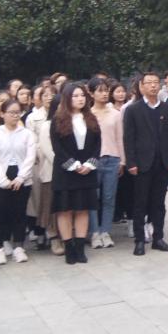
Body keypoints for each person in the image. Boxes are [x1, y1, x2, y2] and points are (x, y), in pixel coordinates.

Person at [123, 71, 168, 256]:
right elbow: (128, 138)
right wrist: (131, 162)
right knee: (140, 203)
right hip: (142, 164)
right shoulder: (133, 110)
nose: (153, 85)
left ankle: (158, 238)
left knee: (159, 203)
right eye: (149, 83)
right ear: (141, 87)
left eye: (156, 82)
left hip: (162, 163)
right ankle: (139, 240)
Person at [50, 83, 101, 264]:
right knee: (64, 210)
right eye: (75, 96)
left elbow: (97, 145)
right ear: (67, 98)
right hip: (65, 172)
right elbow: (57, 147)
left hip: (87, 170)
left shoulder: (91, 118)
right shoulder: (58, 120)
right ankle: (69, 248)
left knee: (82, 209)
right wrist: (73, 165)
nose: (80, 99)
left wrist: (89, 164)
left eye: (82, 95)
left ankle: (80, 248)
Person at [0, 99, 36, 265]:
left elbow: (30, 157)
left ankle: (19, 247)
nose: (15, 116)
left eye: (18, 112)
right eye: (11, 113)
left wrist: (21, 177)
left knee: (19, 213)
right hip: (0, 179)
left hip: (21, 178)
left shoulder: (27, 134)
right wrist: (2, 180)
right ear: (2, 114)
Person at [89, 78, 124, 249]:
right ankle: (94, 232)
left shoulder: (115, 114)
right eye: (100, 91)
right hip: (93, 161)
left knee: (109, 197)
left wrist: (122, 160)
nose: (104, 94)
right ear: (91, 93)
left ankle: (105, 231)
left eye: (106, 90)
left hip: (112, 158)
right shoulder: (87, 114)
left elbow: (120, 138)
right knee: (93, 198)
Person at [27, 85, 62, 255]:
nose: (49, 97)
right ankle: (53, 237)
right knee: (50, 205)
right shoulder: (44, 123)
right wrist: (65, 163)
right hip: (50, 168)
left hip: (68, 170)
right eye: (45, 95)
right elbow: (45, 149)